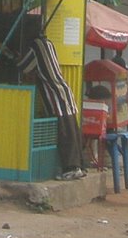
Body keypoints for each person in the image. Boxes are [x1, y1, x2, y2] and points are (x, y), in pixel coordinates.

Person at [19, 22, 86, 180]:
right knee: (73, 131)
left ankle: (71, 168)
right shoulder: (48, 43)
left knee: (65, 133)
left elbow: (24, 67)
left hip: (55, 95)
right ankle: (80, 165)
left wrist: (10, 55)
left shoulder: (35, 47)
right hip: (64, 91)